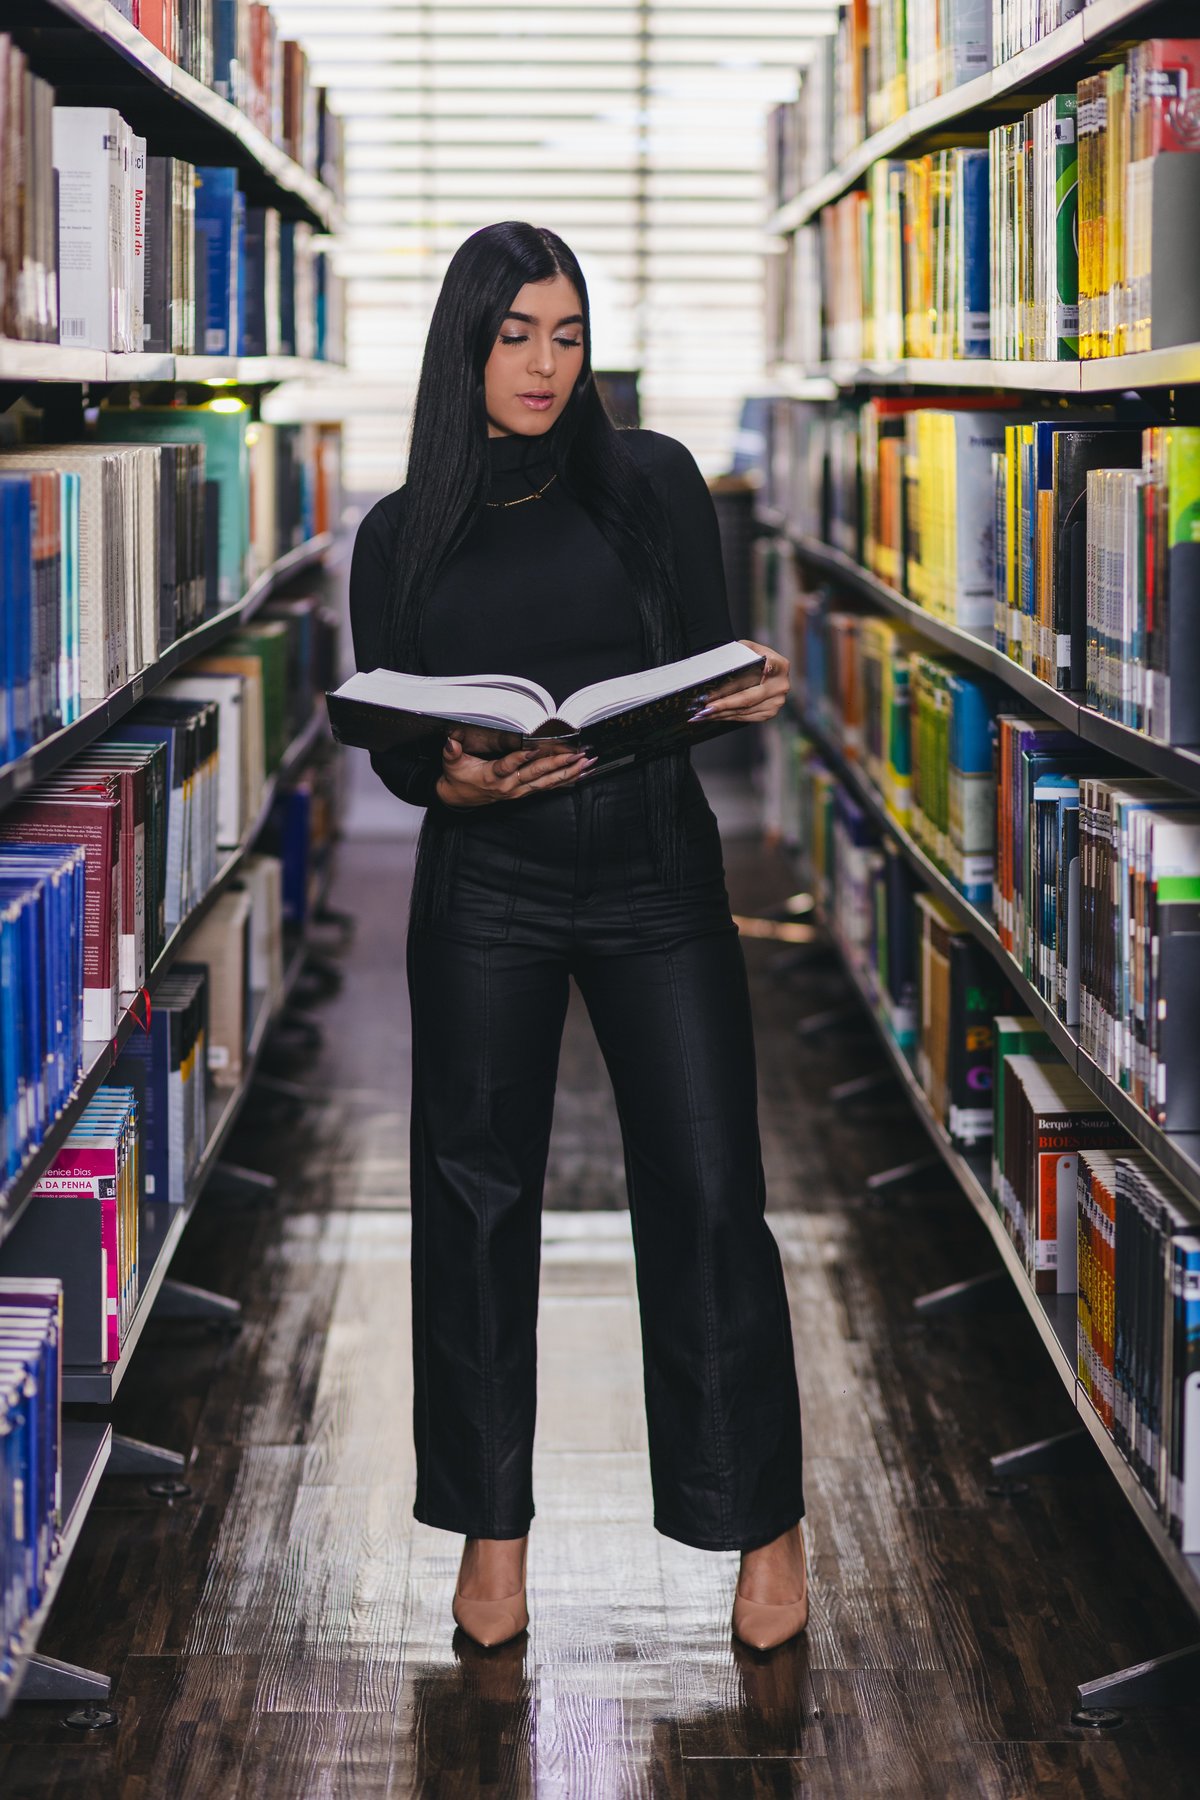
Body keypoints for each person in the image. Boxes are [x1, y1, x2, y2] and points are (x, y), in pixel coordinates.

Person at [349, 221, 807, 1652]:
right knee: (477, 1199)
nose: (545, 364)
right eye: (514, 336)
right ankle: (493, 1536)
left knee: (711, 1187)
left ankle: (762, 1522)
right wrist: (451, 776)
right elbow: (390, 737)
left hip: (657, 872)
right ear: (465, 347)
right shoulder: (399, 525)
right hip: (485, 885)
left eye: (565, 332)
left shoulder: (656, 481)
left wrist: (746, 695)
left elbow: (703, 662)